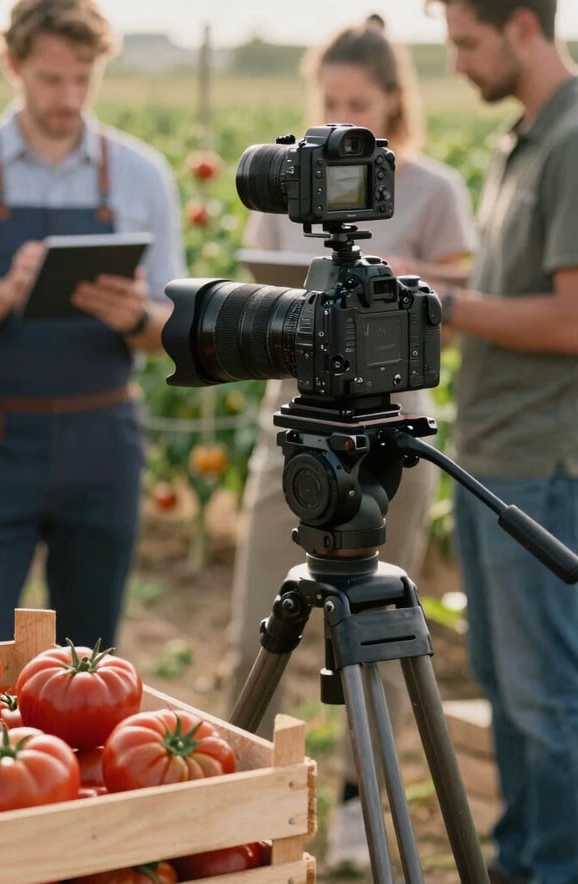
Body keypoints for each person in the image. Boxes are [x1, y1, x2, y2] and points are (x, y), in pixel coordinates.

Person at [226, 16, 476, 874]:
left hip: (389, 445)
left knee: (383, 645)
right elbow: (261, 304)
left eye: (356, 103)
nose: (337, 114)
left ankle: (353, 817)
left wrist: (386, 288)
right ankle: (241, 818)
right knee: (255, 627)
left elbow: (451, 305)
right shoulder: (287, 196)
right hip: (292, 436)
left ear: (393, 102)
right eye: (326, 100)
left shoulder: (436, 189)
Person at [0, 0, 186, 645]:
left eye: (83, 78)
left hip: (104, 436)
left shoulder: (141, 174)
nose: (68, 97)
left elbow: (171, 325)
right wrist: (7, 291)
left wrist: (135, 314)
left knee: (89, 656)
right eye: (51, 80)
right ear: (13, 65)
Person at [429, 3, 578, 882]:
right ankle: (521, 863)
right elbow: (509, 293)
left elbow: (569, 318)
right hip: (491, 454)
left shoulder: (571, 143)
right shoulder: (521, 142)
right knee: (504, 686)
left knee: (545, 698)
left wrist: (442, 303)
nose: (454, 62)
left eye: (465, 41)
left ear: (523, 25)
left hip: (543, 461)